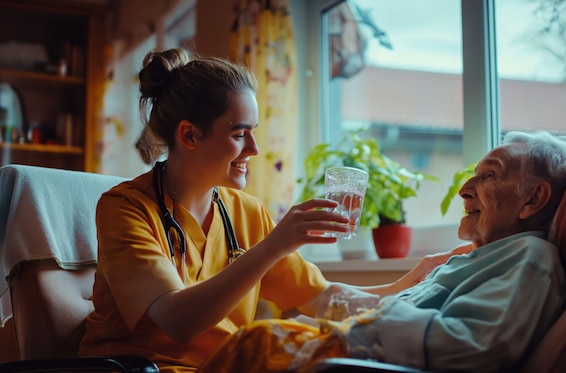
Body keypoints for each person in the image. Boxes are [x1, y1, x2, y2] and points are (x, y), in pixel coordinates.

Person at [78, 48, 385, 373]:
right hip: (142, 369)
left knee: (334, 347)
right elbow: (177, 321)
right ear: (190, 135)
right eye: (239, 134)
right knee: (268, 341)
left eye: (253, 132)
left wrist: (422, 285)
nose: (254, 149)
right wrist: (271, 248)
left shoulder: (246, 212)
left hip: (223, 367)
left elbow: (323, 299)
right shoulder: (125, 209)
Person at [198, 130, 566, 373]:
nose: (466, 188)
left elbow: (477, 348)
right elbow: (330, 301)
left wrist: (359, 331)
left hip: (361, 360)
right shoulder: (478, 258)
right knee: (256, 341)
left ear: (533, 199)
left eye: (490, 175)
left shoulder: (529, 259)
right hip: (350, 349)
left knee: (255, 343)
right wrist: (408, 284)